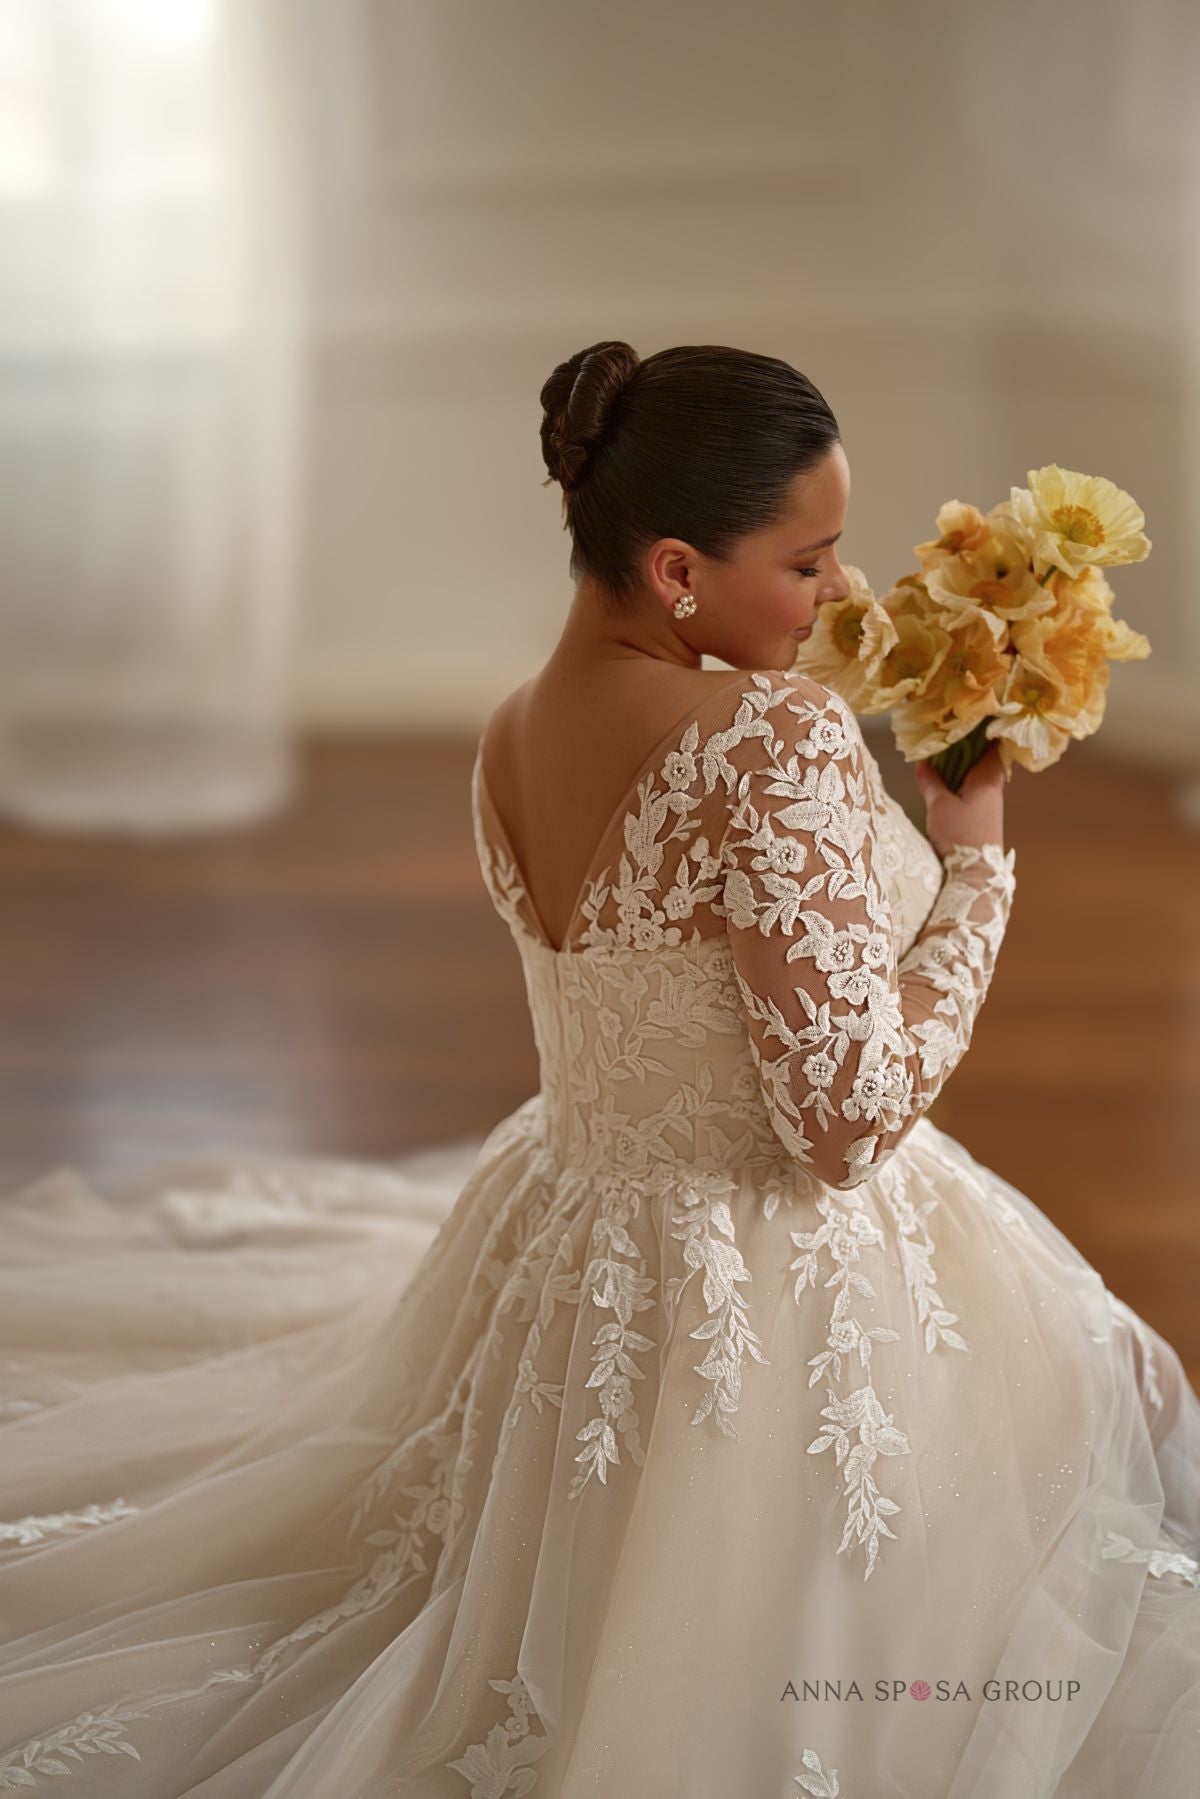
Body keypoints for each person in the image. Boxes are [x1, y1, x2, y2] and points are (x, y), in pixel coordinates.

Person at [0, 342, 1196, 1799]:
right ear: (680, 568)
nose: (838, 593)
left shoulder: (511, 727)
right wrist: (976, 870)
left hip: (571, 1233)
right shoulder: (768, 741)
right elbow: (846, 1123)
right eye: (807, 562)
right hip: (762, 1281)